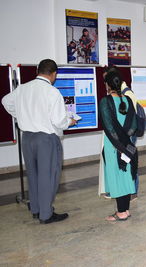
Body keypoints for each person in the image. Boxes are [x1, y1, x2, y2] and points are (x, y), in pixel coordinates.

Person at [1, 59, 76, 224]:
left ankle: (35, 209)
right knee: (48, 176)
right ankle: (46, 214)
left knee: (33, 174)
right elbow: (59, 122)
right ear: (54, 74)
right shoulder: (52, 92)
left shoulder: (22, 88)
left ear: (38, 70)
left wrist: (20, 114)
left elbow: (5, 101)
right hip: (45, 139)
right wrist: (69, 122)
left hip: (27, 137)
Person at [99, 70, 138, 221]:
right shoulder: (128, 100)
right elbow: (133, 126)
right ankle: (125, 210)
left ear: (108, 85)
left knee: (116, 176)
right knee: (126, 176)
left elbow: (108, 128)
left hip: (113, 145)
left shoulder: (106, 101)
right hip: (127, 144)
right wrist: (125, 142)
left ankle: (121, 212)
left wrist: (118, 145)